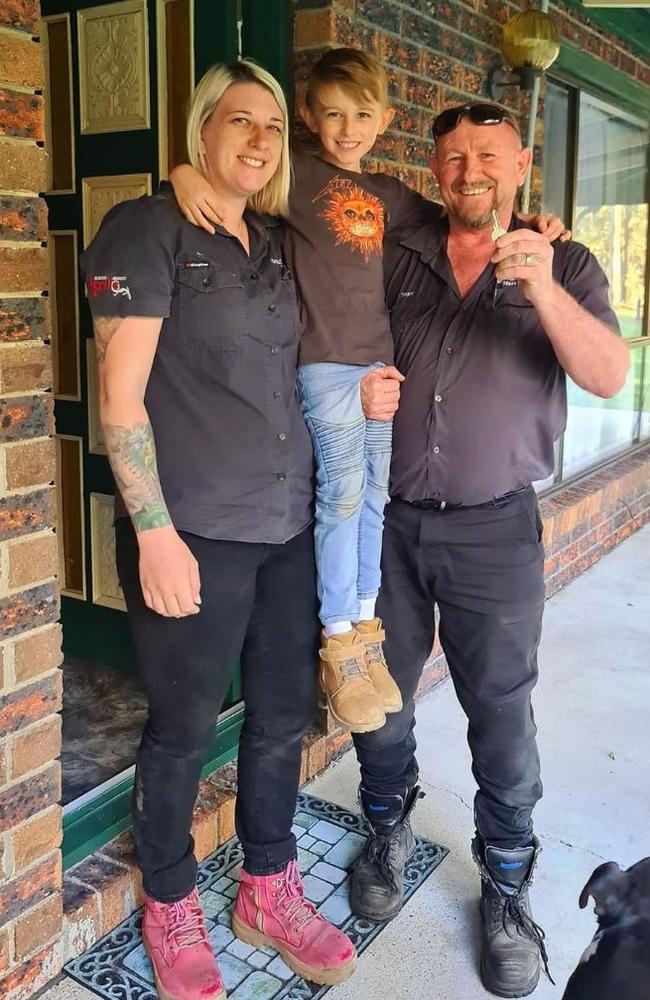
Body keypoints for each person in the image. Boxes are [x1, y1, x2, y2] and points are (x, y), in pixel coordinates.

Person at [170, 49, 567, 740]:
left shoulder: (387, 194)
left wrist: (531, 221)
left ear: (384, 120)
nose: (346, 129)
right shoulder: (295, 173)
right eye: (331, 114)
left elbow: (466, 217)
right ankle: (337, 641)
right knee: (344, 498)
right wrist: (180, 172)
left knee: (373, 499)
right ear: (308, 116)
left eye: (361, 116)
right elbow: (236, 173)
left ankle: (363, 630)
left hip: (380, 371)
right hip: (325, 365)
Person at [80, 61, 357, 1000]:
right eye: (237, 121)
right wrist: (153, 532)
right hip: (192, 531)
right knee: (182, 730)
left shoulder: (274, 241)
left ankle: (267, 887)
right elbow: (118, 401)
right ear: (199, 130)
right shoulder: (146, 230)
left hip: (287, 526)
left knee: (281, 719)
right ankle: (168, 901)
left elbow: (375, 213)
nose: (259, 140)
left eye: (274, 127)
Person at [350, 102, 629, 999]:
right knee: (378, 699)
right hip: (384, 524)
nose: (471, 170)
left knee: (500, 715)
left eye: (489, 156)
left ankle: (506, 889)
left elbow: (608, 374)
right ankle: (386, 827)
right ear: (434, 169)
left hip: (494, 528)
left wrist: (542, 286)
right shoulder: (397, 246)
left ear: (521, 163)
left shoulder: (568, 259)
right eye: (454, 156)